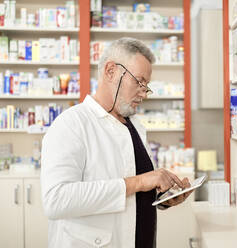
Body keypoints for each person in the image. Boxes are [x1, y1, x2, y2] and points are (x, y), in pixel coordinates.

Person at [40, 37, 193, 248]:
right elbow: (56, 201)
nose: (143, 93)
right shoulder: (71, 124)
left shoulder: (135, 126)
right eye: (139, 82)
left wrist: (163, 199)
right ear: (111, 71)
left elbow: (133, 197)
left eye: (146, 86)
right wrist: (139, 181)